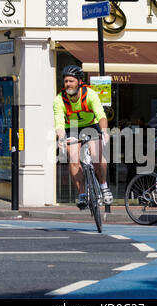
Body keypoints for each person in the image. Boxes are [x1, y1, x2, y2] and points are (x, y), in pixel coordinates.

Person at [54, 65, 113, 209]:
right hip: (71, 128)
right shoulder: (59, 99)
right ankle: (81, 194)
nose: (68, 84)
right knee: (73, 158)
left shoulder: (90, 94)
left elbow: (101, 115)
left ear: (79, 82)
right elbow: (59, 123)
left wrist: (104, 131)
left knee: (96, 155)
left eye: (71, 81)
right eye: (66, 81)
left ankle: (104, 185)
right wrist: (61, 138)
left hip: (91, 126)